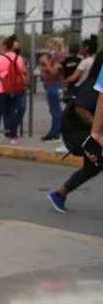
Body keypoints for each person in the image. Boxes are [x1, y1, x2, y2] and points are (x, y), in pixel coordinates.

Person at [47, 51, 103, 213]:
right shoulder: (93, 84)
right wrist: (97, 131)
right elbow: (81, 108)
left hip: (87, 132)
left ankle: (59, 195)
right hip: (77, 133)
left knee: (93, 167)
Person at [0, 34, 27, 146]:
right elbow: (22, 72)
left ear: (4, 47)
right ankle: (13, 137)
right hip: (14, 90)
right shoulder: (19, 58)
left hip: (0, 89)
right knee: (11, 112)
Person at [40, 37, 66, 142]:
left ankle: (56, 133)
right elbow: (47, 69)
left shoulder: (59, 56)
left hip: (54, 85)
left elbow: (54, 72)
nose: (48, 48)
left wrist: (46, 62)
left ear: (56, 46)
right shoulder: (53, 56)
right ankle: (53, 132)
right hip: (49, 84)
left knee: (56, 110)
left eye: (50, 46)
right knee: (53, 110)